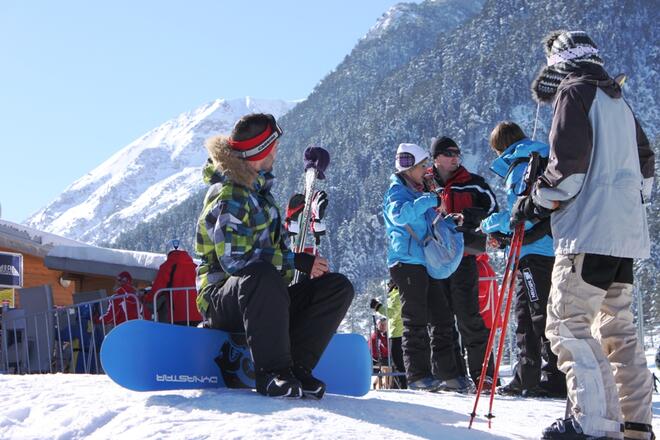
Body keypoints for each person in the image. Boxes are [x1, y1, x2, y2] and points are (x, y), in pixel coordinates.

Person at [512, 31, 655, 440]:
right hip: (624, 233)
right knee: (619, 330)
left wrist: (538, 198)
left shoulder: (574, 93)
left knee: (568, 325)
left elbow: (568, 169)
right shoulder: (617, 100)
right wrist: (624, 200)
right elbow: (647, 166)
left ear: (560, 65)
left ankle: (592, 423)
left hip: (588, 232)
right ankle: (635, 425)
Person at [195, 113, 354, 399]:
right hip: (224, 301)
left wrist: (299, 259)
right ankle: (272, 373)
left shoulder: (262, 196)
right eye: (274, 147)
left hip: (263, 295)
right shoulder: (229, 195)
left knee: (337, 287)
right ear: (260, 151)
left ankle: (297, 368)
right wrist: (293, 260)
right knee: (260, 273)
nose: (277, 152)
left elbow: (273, 258)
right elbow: (236, 260)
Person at [480, 121, 566, 399]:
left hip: (534, 254)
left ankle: (548, 377)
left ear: (500, 148)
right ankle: (531, 376)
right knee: (532, 314)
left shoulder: (520, 168)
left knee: (533, 317)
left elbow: (518, 215)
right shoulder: (541, 160)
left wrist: (489, 224)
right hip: (548, 249)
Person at [383, 142, 465, 392]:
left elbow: (430, 223)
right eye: (421, 166)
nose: (425, 170)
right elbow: (400, 216)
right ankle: (418, 375)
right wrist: (428, 200)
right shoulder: (397, 192)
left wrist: (450, 222)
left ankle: (447, 373)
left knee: (441, 316)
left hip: (423, 262)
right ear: (409, 168)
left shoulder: (416, 191)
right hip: (406, 262)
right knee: (414, 319)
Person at [426, 136, 497, 390]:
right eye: (448, 153)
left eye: (457, 152)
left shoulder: (474, 184)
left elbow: (492, 209)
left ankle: (484, 376)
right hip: (434, 260)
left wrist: (465, 217)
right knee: (441, 320)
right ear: (435, 158)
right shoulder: (424, 185)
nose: (455, 157)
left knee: (469, 317)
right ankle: (450, 375)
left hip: (464, 257)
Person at [144, 240, 202, 326]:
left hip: (178, 315)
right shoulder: (195, 267)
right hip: (199, 314)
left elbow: (157, 288)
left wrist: (146, 298)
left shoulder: (167, 266)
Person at [370, 279, 407, 389]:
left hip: (397, 333)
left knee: (398, 362)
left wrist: (378, 307)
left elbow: (392, 313)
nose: (388, 285)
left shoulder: (396, 295)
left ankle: (403, 386)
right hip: (397, 332)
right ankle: (400, 385)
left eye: (389, 283)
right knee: (397, 362)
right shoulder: (397, 295)